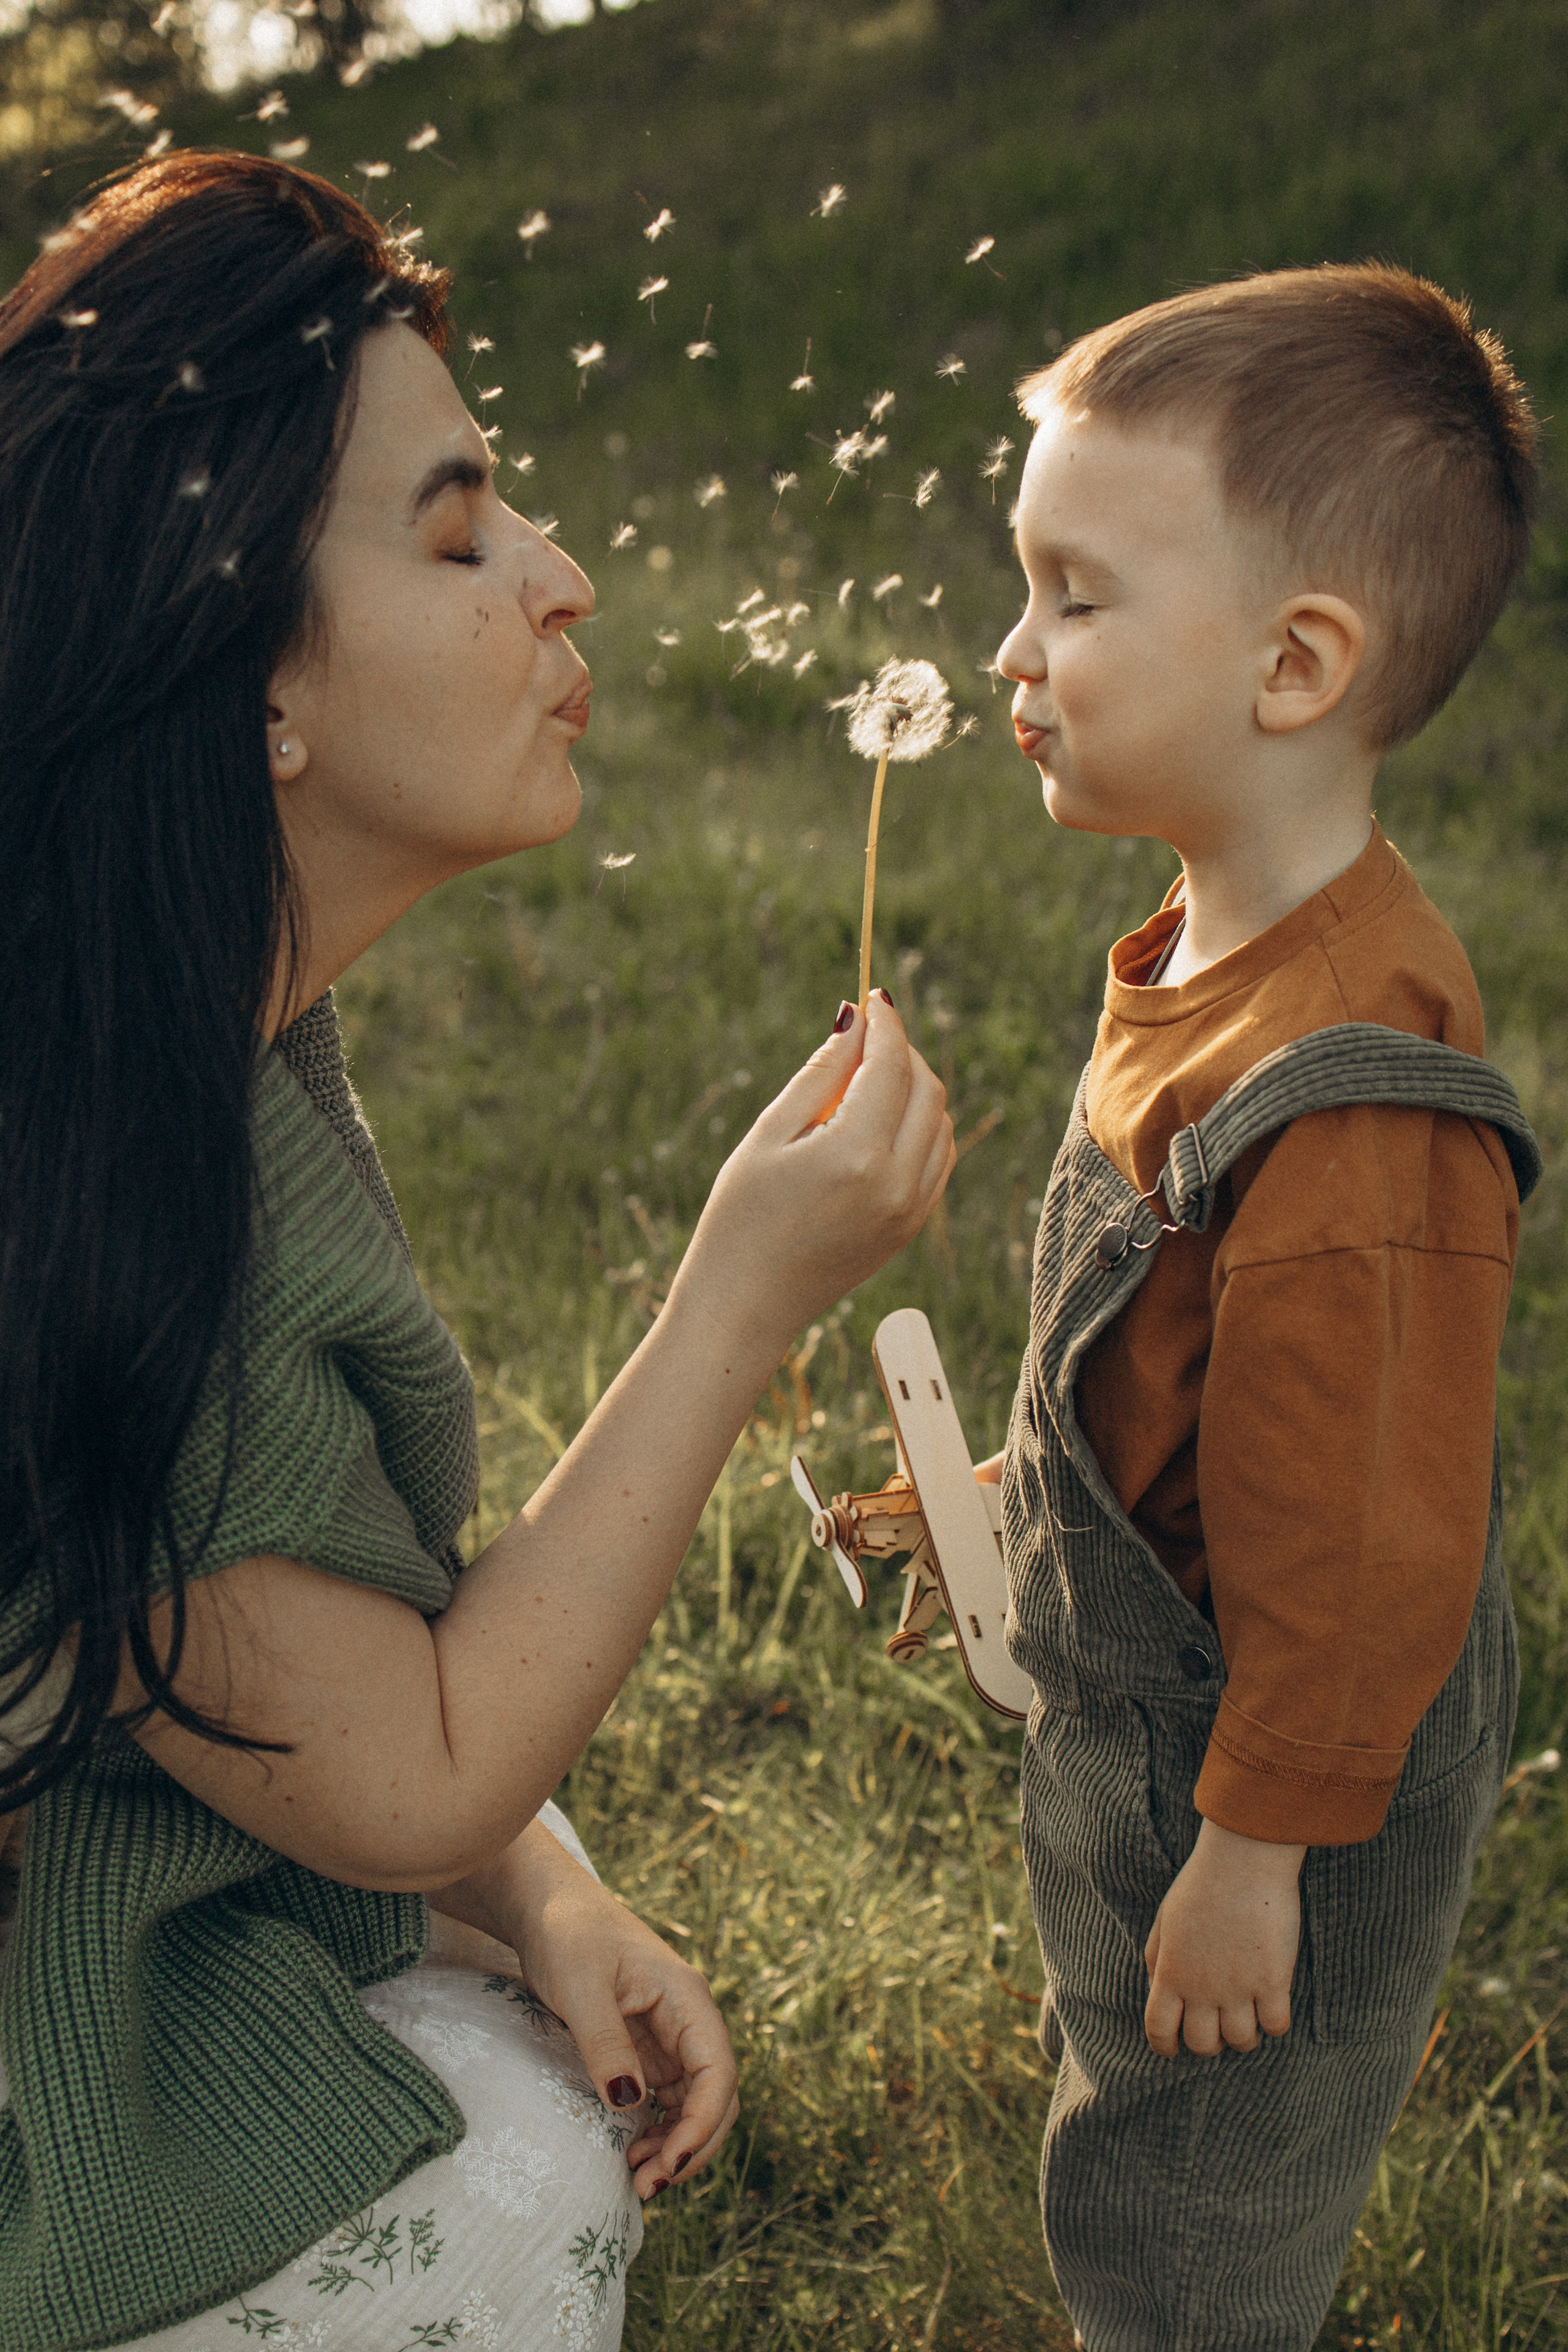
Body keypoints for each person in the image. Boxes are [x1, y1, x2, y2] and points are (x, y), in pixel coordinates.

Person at [0, 152, 954, 2350]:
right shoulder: (94, 1193)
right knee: (515, 2190)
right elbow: (409, 1754)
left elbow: (308, 1716)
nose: (570, 575)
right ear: (254, 687)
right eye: (459, 531)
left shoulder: (165, 1058)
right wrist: (741, 1294)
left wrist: (544, 1893)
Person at [984, 264, 1542, 2350]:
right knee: (1131, 2094)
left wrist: (1255, 1853)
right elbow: (1192, 1369)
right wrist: (1026, 1479)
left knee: (1200, 2200)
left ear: (1298, 664)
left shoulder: (1354, 1105)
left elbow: (1374, 1532)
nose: (1012, 654)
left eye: (1074, 596)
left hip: (1280, 1759)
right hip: (1179, 1700)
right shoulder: (1207, 953)